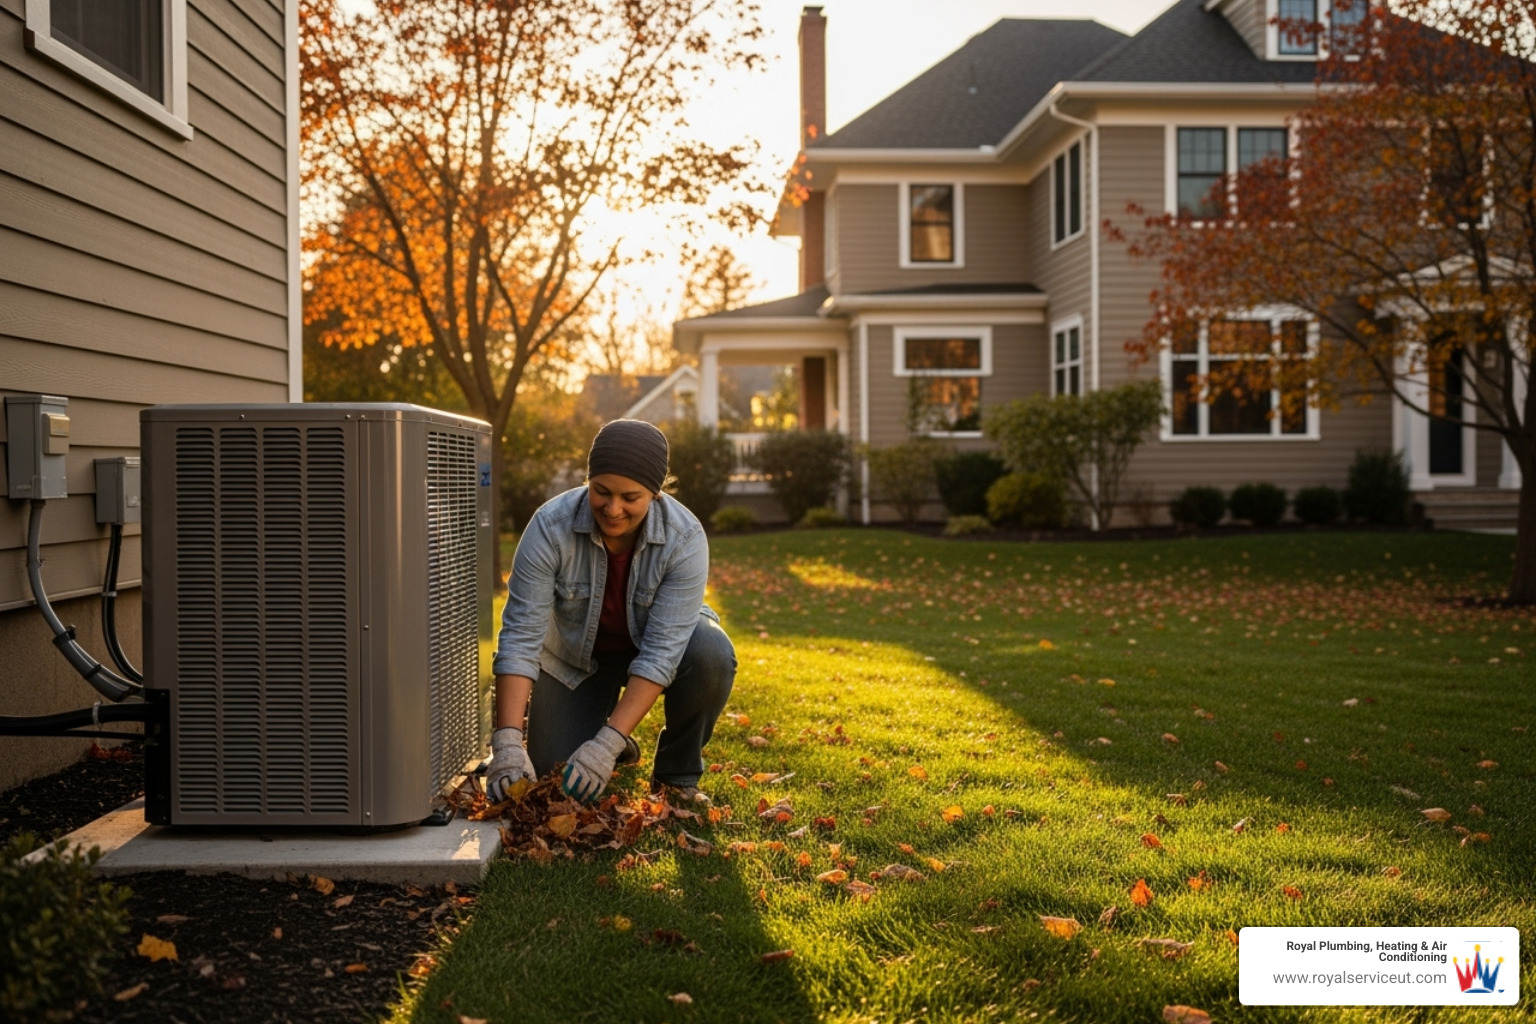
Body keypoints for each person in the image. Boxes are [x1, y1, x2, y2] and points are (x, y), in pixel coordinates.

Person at [485, 418, 736, 806]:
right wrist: (506, 742)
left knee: (711, 652)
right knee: (555, 777)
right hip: (574, 661)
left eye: (630, 498)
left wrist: (604, 745)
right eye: (601, 491)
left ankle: (675, 776)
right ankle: (617, 740)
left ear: (655, 494)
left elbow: (661, 654)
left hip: (650, 650)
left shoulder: (685, 538)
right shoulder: (550, 527)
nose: (613, 509)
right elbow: (520, 637)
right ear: (588, 481)